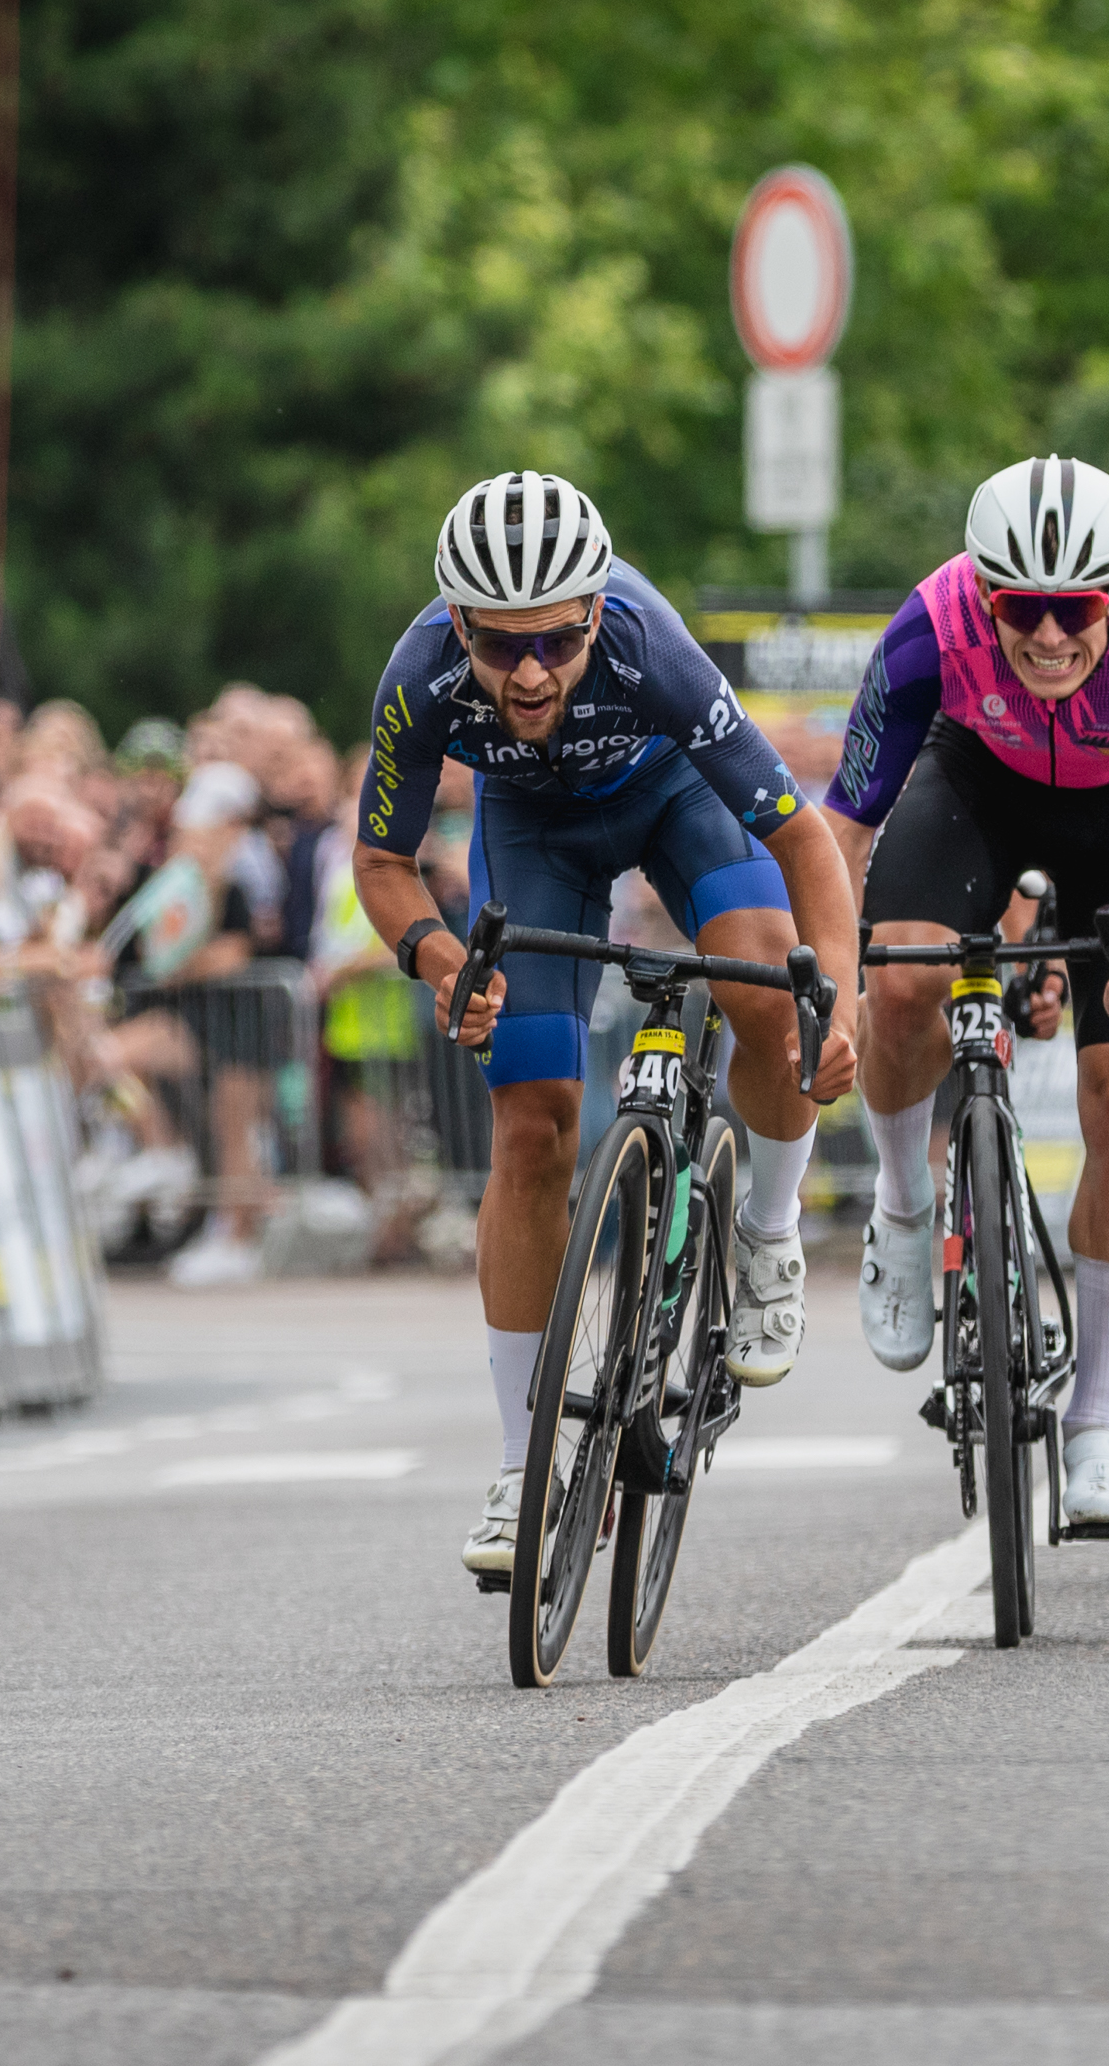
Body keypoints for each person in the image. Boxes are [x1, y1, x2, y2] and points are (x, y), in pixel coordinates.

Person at [351, 471, 859, 1579]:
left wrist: (838, 1004)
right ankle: (520, 1465)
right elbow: (383, 863)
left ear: (593, 612)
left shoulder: (648, 645)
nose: (530, 672)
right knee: (531, 1124)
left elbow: (802, 838)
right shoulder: (419, 675)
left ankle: (769, 1232)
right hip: (532, 832)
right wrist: (439, 957)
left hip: (677, 798)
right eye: (501, 647)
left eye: (555, 641)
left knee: (770, 1001)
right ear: (458, 627)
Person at [824, 455, 1109, 1535]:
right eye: (1021, 609)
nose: (1050, 636)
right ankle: (903, 1208)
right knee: (902, 975)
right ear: (982, 591)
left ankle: (1097, 1421)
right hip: (977, 788)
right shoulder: (930, 622)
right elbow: (843, 827)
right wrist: (826, 974)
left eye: (1075, 609)